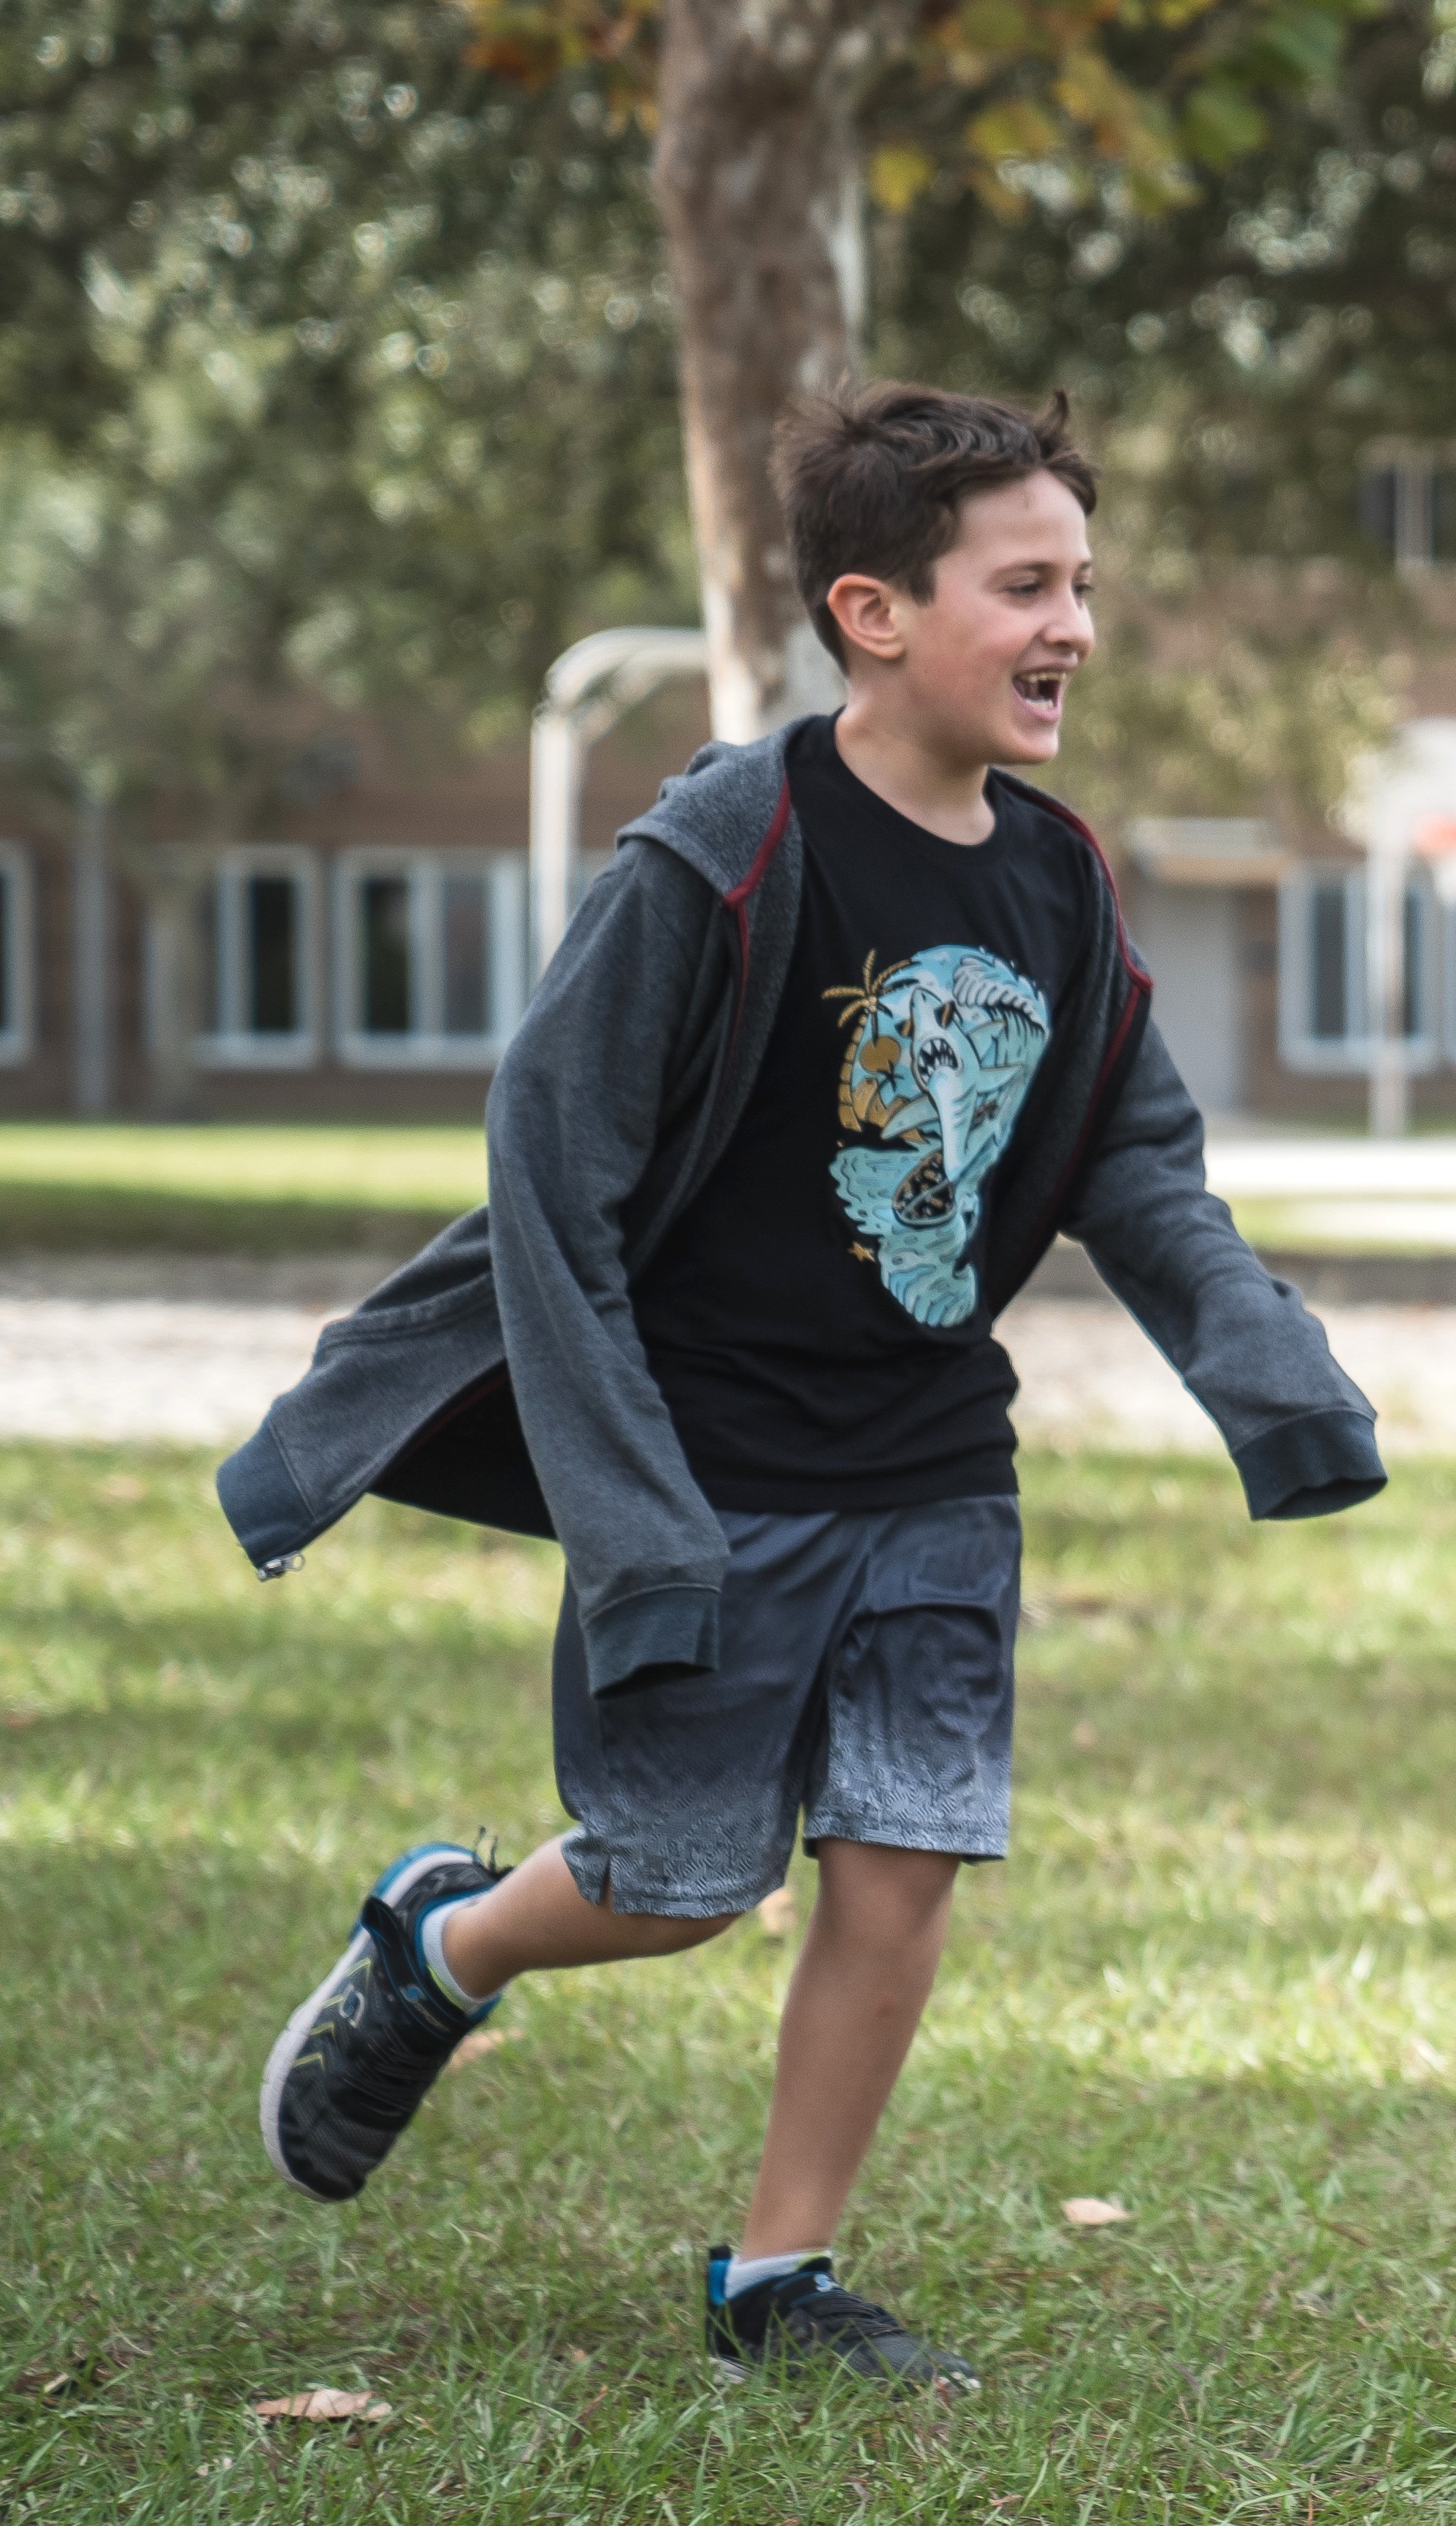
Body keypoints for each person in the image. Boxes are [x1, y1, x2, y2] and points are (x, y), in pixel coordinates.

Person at [221, 383, 1382, 2386]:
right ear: (873, 609)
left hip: (935, 1465)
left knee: (907, 1855)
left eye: (1084, 583)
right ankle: (448, 1942)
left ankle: (776, 2277)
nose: (1074, 627)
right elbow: (549, 1170)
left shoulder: (1060, 880)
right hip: (712, 1467)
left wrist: (1268, 1369)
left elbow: (1134, 1155)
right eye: (1025, 584)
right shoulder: (726, 853)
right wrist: (631, 1512)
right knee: (680, 1886)